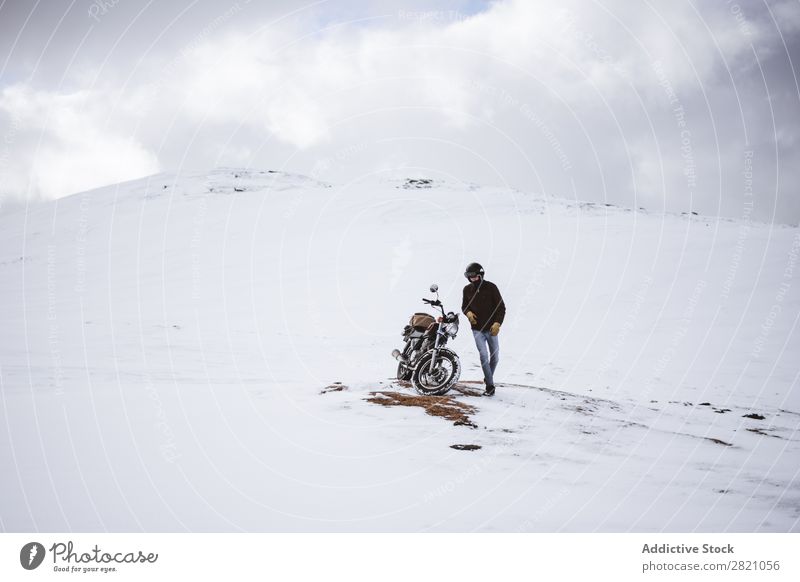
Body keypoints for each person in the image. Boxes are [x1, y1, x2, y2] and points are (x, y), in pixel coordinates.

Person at [461, 262, 506, 396]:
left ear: (480, 274)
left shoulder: (491, 287)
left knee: (495, 357)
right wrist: (468, 313)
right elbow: (464, 306)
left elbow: (501, 307)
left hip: (491, 329)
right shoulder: (466, 289)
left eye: (474, 276)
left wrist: (497, 323)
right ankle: (490, 386)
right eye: (469, 276)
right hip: (477, 329)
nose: (472, 279)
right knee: (483, 356)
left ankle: (488, 377)